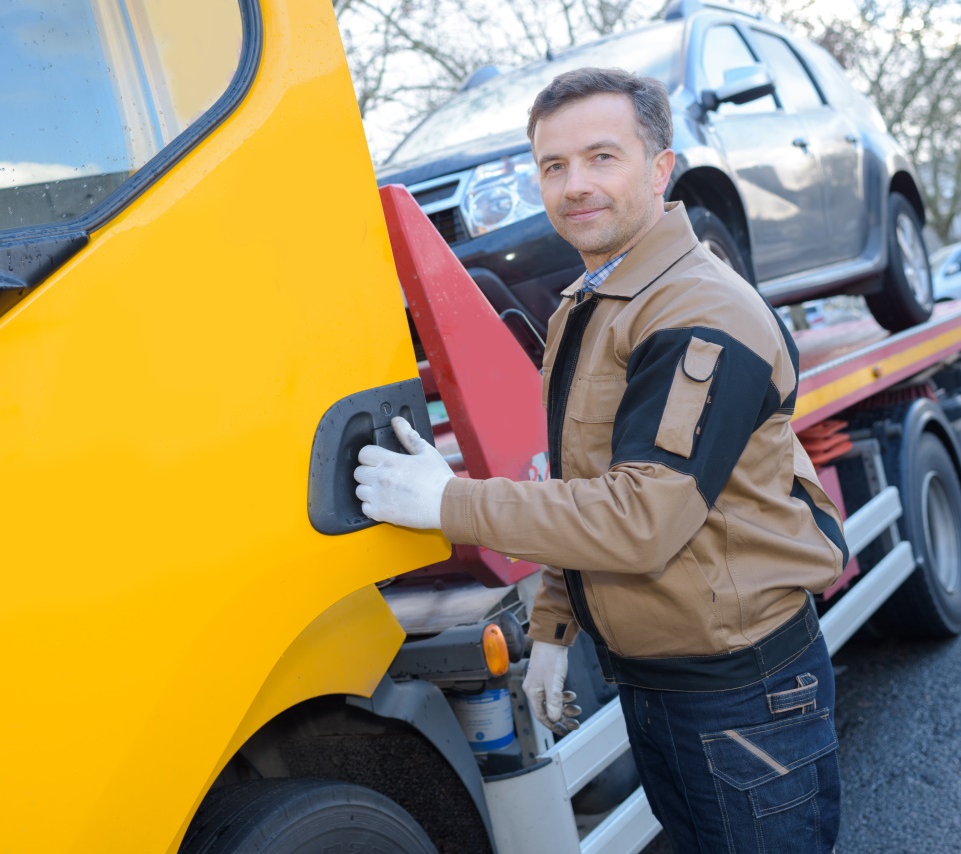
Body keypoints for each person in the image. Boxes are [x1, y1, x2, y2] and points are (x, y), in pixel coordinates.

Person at [354, 68, 847, 852]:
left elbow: (642, 517)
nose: (575, 185)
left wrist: (450, 501)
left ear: (660, 168)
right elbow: (587, 483)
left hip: (739, 695)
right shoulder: (600, 301)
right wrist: (555, 624)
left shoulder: (697, 313)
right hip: (663, 685)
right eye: (554, 167)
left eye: (601, 158)